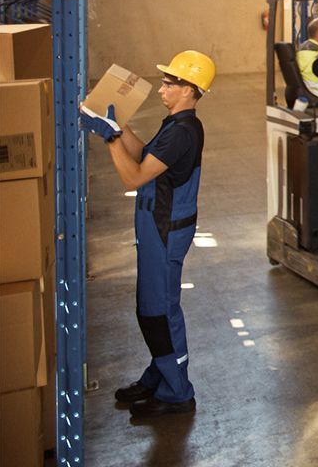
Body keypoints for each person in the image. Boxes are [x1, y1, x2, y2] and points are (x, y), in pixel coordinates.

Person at [79, 50, 216, 417]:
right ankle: (159, 374)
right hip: (160, 225)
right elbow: (145, 155)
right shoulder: (175, 124)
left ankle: (177, 391)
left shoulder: (183, 132)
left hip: (165, 229)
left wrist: (110, 141)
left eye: (170, 83)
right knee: (153, 308)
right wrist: (120, 130)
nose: (162, 89)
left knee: (158, 310)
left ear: (190, 90)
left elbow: (133, 177)